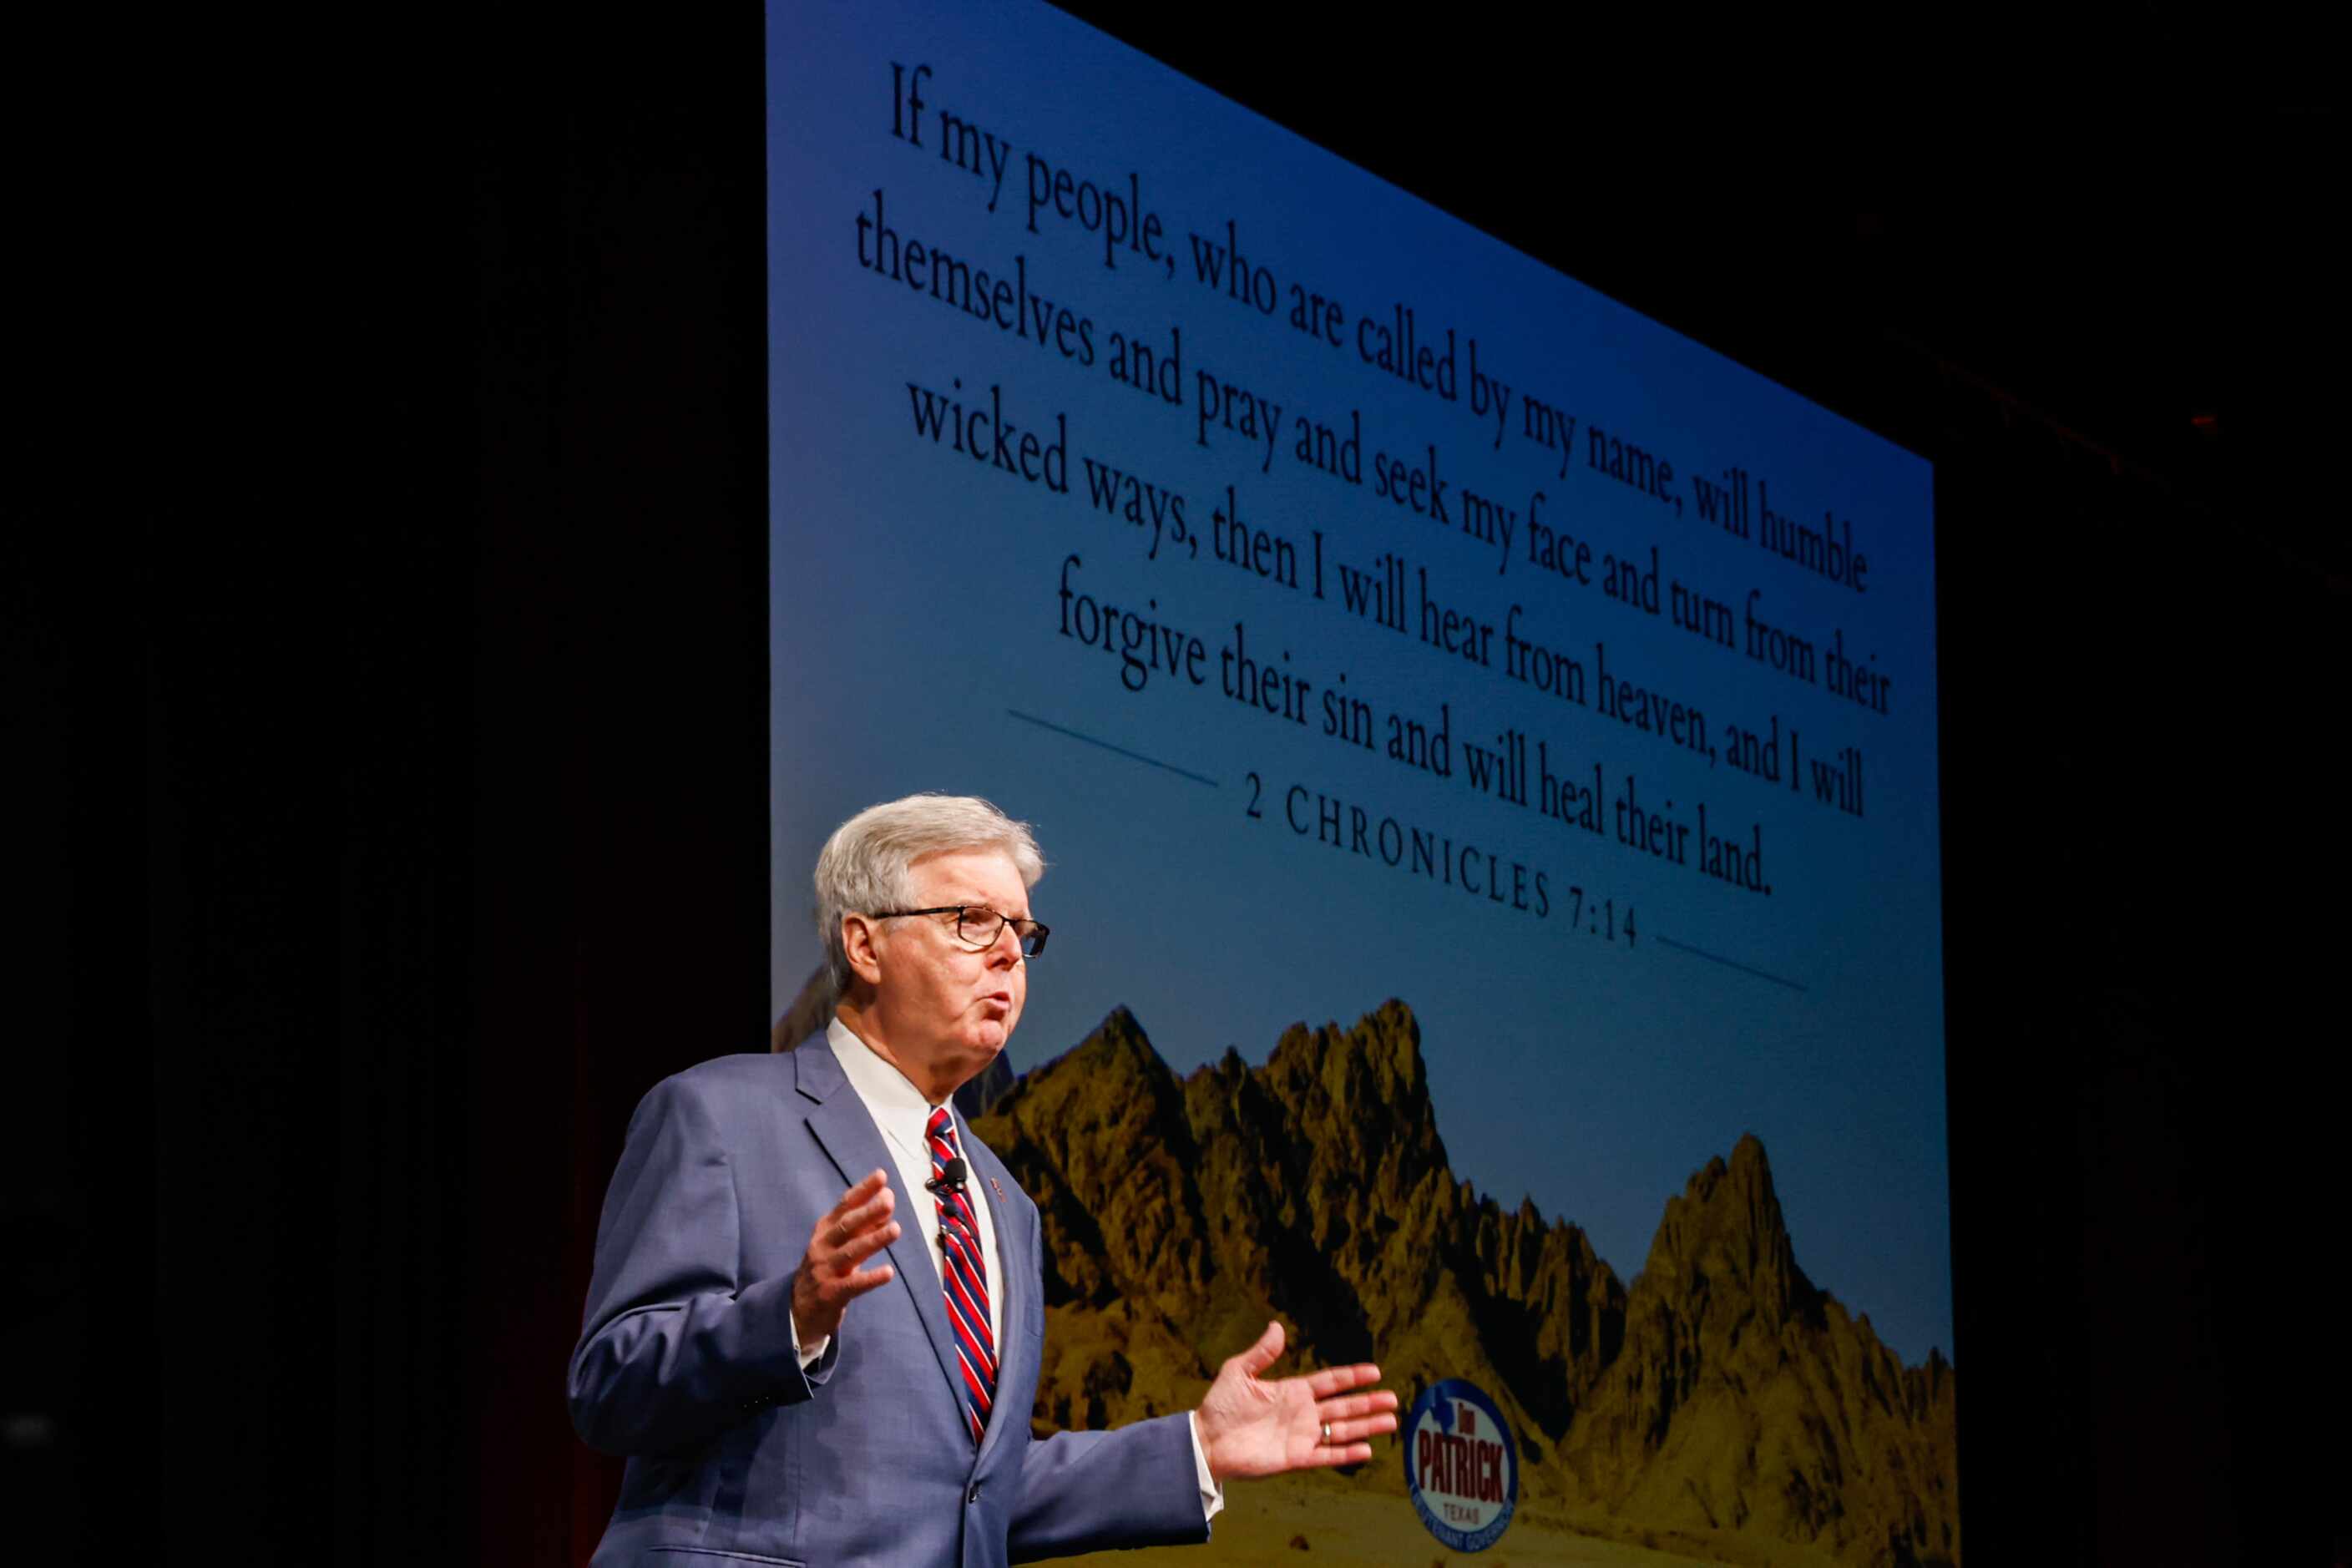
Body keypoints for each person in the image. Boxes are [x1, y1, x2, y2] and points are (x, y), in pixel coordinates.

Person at [569, 793, 1398, 1565]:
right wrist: (787, 1319)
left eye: (1023, 932)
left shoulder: (1007, 1205)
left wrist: (1196, 1450)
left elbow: (972, 1493)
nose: (1010, 950)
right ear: (864, 945)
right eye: (971, 920)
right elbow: (610, 1384)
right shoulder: (718, 1115)